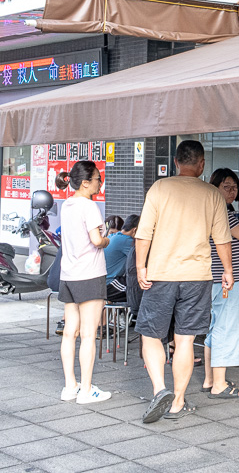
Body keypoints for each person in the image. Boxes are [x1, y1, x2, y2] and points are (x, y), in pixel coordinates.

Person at [135, 140, 233, 423]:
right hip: (197, 277)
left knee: (152, 335)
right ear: (202, 165)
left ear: (176, 163)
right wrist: (227, 270)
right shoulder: (212, 194)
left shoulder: (160, 188)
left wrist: (141, 266)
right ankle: (177, 402)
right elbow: (222, 238)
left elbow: (144, 234)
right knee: (186, 340)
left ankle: (159, 390)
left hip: (161, 275)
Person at [58, 160, 112, 405]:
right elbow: (96, 241)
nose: (100, 182)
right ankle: (87, 390)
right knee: (89, 335)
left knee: (70, 333)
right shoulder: (89, 206)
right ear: (85, 182)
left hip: (68, 275)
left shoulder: (66, 205)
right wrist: (106, 240)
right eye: (98, 179)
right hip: (89, 275)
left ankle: (70, 386)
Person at [201, 169, 239, 399]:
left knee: (214, 327)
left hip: (209, 276)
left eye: (235, 187)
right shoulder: (224, 213)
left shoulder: (203, 212)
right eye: (226, 186)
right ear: (215, 187)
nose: (232, 191)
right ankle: (220, 384)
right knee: (227, 326)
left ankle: (209, 379)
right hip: (229, 278)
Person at [104, 215, 139, 303]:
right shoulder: (127, 240)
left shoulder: (114, 236)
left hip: (102, 282)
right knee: (139, 292)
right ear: (135, 230)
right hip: (109, 284)